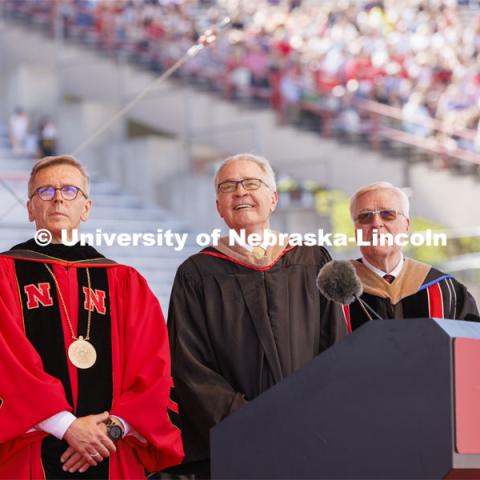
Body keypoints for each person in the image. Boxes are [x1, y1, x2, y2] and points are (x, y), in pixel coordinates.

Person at [0, 155, 183, 478]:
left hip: (111, 451)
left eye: (69, 190)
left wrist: (109, 430)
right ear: (30, 208)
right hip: (30, 452)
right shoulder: (4, 274)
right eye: (45, 191)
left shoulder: (125, 281)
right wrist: (67, 426)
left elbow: (153, 367)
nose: (57, 198)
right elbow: (7, 364)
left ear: (85, 207)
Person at [165, 153, 347, 478]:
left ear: (273, 198)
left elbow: (335, 346)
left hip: (310, 435)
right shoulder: (197, 274)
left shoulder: (312, 261)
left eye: (251, 183)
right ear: (219, 206)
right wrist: (250, 418)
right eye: (228, 186)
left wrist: (309, 414)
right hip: (237, 440)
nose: (240, 192)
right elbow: (189, 365)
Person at [345, 181, 479, 331]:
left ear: (406, 225)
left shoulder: (448, 291)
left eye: (388, 214)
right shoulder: (335, 294)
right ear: (356, 230)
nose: (376, 223)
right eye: (365, 216)